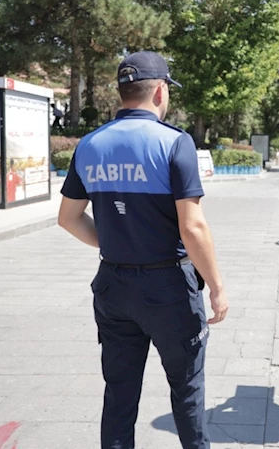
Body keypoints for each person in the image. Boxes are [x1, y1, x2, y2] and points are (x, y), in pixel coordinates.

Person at [57, 51, 229, 449]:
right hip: (168, 287)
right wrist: (217, 287)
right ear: (160, 91)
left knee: (119, 395)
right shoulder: (174, 143)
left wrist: (118, 239)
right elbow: (193, 226)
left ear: (122, 93)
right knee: (187, 391)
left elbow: (68, 218)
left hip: (113, 286)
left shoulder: (89, 145)